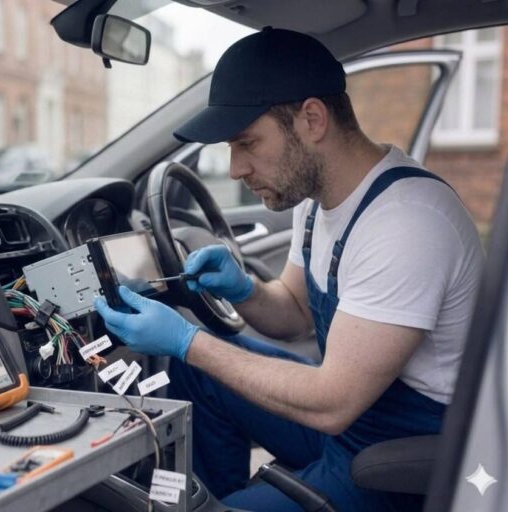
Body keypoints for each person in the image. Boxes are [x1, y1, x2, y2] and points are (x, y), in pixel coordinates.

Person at [94, 27, 484, 511]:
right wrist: (244, 291)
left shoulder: (407, 222)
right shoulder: (317, 201)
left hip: (394, 463)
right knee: (194, 375)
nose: (236, 168)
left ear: (312, 120)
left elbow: (333, 401)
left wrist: (187, 340)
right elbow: (296, 312)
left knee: (193, 356)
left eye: (247, 143)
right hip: (353, 422)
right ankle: (215, 500)